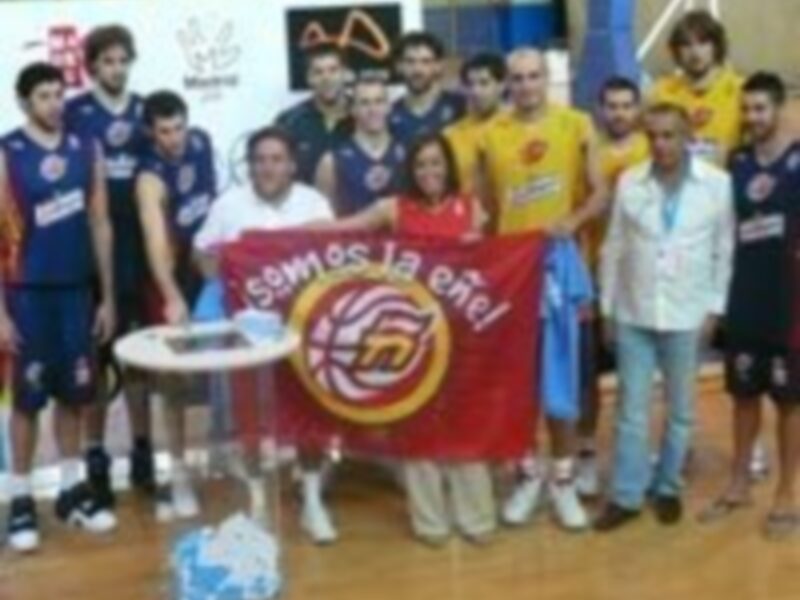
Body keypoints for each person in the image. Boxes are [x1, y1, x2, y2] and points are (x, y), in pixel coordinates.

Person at [310, 132, 493, 546]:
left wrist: (479, 247)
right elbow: (341, 229)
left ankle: (477, 517)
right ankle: (430, 522)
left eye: (436, 163)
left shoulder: (472, 208)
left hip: (463, 334)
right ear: (410, 170)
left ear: (448, 165)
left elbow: (492, 267)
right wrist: (277, 236)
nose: (429, 172)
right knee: (418, 424)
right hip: (413, 334)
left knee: (466, 424)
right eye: (421, 164)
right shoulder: (392, 208)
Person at [477, 48, 607, 531]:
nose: (526, 85)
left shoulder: (576, 125)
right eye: (517, 78)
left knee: (564, 385)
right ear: (506, 84)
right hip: (514, 278)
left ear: (547, 78)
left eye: (534, 76)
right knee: (518, 387)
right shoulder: (490, 135)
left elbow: (600, 192)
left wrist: (572, 220)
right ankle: (528, 476)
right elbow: (484, 213)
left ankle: (564, 481)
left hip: (562, 275)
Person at [193, 127, 338, 544]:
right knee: (250, 419)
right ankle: (257, 501)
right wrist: (221, 277)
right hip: (248, 334)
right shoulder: (229, 205)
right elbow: (201, 251)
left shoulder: (314, 204)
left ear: (292, 164)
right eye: (259, 160)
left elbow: (334, 258)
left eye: (276, 159)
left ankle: (312, 499)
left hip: (301, 329)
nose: (267, 168)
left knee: (309, 414)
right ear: (249, 165)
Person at [595, 103, 734, 532]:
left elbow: (724, 250)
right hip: (635, 311)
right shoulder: (630, 181)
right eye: (652, 135)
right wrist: (607, 308)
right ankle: (627, 494)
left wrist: (715, 308)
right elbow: (614, 246)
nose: (660, 144)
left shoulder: (717, 184)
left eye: (669, 135)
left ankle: (668, 486)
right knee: (630, 411)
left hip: (688, 312)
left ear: (688, 136)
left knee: (681, 410)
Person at [0, 63, 116, 553]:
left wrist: (106, 296)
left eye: (58, 94)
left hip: (75, 291)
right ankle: (21, 498)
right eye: (43, 96)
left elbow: (100, 224)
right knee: (27, 401)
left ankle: (72, 490)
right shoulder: (7, 152)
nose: (54, 103)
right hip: (25, 293)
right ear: (24, 102)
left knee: (76, 393)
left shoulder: (86, 148)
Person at [698, 73, 800, 539]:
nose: (752, 117)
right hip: (743, 296)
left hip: (789, 301)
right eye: (746, 108)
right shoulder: (735, 162)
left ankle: (786, 494)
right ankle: (738, 484)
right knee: (743, 395)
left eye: (760, 108)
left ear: (780, 108)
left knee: (789, 401)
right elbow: (721, 229)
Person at [65, 24, 155, 507]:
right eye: (108, 61)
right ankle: (95, 456)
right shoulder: (75, 112)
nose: (117, 69)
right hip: (90, 250)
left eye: (124, 60)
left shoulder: (146, 110)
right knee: (96, 359)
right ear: (92, 67)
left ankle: (143, 451)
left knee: (137, 356)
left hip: (137, 249)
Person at [136, 91, 217, 520]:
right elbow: (155, 241)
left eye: (178, 127)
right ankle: (180, 474)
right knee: (173, 380)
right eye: (164, 131)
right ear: (151, 133)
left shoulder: (202, 142)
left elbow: (215, 207)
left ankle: (231, 454)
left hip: (206, 264)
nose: (174, 138)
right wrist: (171, 294)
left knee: (226, 361)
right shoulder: (149, 178)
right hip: (169, 274)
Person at [576, 76, 649, 497]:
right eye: (612, 105)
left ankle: (632, 453)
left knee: (637, 373)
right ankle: (586, 452)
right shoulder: (589, 152)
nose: (619, 113)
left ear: (638, 108)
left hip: (642, 278)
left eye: (626, 105)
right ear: (600, 109)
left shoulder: (651, 148)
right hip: (595, 275)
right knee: (588, 374)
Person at [650, 9, 742, 167]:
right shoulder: (661, 92)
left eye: (703, 43)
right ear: (676, 50)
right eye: (686, 45)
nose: (695, 52)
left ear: (716, 46)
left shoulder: (740, 89)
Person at [315, 75, 405, 216]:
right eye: (364, 103)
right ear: (353, 109)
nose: (373, 109)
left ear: (389, 107)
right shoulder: (331, 162)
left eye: (379, 101)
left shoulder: (408, 154)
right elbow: (323, 220)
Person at [274, 43, 352, 185]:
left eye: (333, 70)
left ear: (346, 74)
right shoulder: (289, 122)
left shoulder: (364, 116)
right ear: (309, 78)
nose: (326, 78)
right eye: (318, 72)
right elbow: (277, 173)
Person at [444, 52, 506, 198]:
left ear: (502, 85)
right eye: (470, 84)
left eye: (484, 83)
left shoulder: (518, 127)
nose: (476, 91)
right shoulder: (450, 136)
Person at [389, 32, 466, 145]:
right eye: (410, 61)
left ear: (438, 66)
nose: (417, 69)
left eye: (425, 62)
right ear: (398, 66)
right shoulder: (389, 114)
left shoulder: (460, 106)